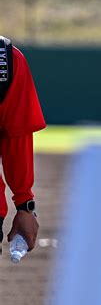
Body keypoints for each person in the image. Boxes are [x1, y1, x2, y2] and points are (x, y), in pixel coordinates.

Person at [0, 37, 46, 253]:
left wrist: (25, 204)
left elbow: (16, 139)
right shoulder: (6, 58)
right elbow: (17, 140)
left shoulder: (8, 58)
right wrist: (25, 205)